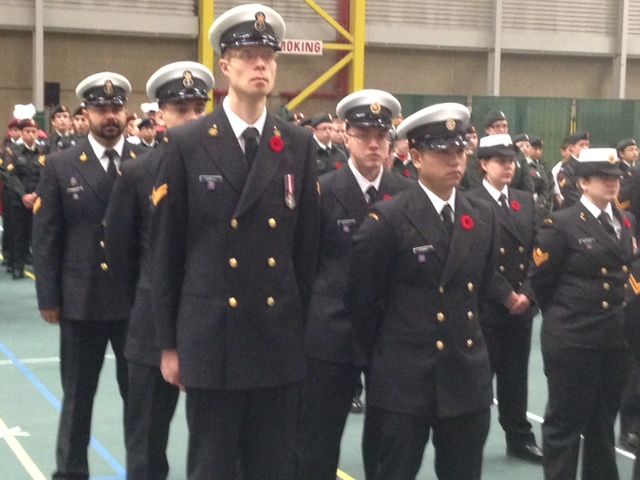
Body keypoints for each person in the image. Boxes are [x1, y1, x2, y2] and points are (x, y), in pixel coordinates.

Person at [149, 4, 320, 479]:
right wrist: (169, 344)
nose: (260, 64)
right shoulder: (187, 143)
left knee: (273, 467)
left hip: (275, 337)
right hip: (212, 339)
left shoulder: (298, 145)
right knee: (212, 467)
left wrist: (298, 327)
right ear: (225, 66)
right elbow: (166, 255)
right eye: (247, 54)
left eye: (268, 55)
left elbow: (305, 251)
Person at [346, 103, 500, 480]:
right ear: (415, 157)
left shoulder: (480, 216)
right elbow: (362, 302)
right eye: (443, 152)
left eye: (460, 150)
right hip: (404, 380)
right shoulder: (388, 220)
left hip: (465, 378)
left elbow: (479, 294)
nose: (455, 161)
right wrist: (387, 354)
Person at [104, 60, 214, 480]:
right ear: (160, 115)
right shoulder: (137, 173)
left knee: (216, 445)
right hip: (152, 330)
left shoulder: (225, 168)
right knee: (147, 443)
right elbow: (119, 253)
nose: (189, 118)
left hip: (212, 326)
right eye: (179, 109)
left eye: (196, 109)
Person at [296, 89, 412, 480]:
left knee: (386, 440)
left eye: (382, 135)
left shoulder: (406, 194)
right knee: (318, 439)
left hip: (388, 335)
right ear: (346, 136)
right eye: (364, 135)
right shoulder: (322, 191)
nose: (375, 144)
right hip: (332, 332)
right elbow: (305, 264)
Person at [32, 71, 139, 480]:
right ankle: (70, 472)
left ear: (125, 112)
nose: (109, 116)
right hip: (81, 301)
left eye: (115, 108)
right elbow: (46, 237)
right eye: (100, 109)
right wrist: (49, 297)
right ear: (87, 114)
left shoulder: (145, 162)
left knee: (140, 401)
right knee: (77, 398)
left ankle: (142, 472)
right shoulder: (60, 165)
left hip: (133, 302)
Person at [529, 148, 635, 480]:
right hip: (574, 339)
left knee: (602, 423)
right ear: (584, 182)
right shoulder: (561, 223)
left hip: (613, 339)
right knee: (565, 425)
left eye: (616, 178)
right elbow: (541, 283)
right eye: (604, 178)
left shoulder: (624, 221)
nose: (612, 184)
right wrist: (566, 320)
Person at [466, 134, 543, 463]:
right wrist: (506, 294)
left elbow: (539, 250)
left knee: (516, 378)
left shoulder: (525, 201)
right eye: (500, 160)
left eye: (511, 160)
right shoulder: (469, 201)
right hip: (487, 305)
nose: (508, 166)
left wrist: (527, 292)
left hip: (521, 307)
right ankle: (469, 441)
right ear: (484, 164)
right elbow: (473, 255)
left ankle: (519, 437)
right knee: (480, 380)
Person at [3, 116, 45, 278]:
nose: (31, 135)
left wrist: (35, 195)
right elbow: (11, 176)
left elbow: (44, 175)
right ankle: (17, 266)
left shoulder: (41, 151)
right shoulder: (11, 151)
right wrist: (24, 195)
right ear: (20, 132)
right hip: (17, 199)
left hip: (37, 200)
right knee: (18, 234)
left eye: (34, 131)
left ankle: (37, 264)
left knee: (36, 233)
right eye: (27, 131)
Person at [556, 131, 590, 209]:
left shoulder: (590, 166)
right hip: (574, 211)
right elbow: (570, 195)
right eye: (581, 145)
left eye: (587, 145)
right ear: (571, 148)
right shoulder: (565, 169)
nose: (585, 148)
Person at [527, 135, 555, 225]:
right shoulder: (524, 166)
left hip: (543, 209)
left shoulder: (545, 167)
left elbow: (550, 187)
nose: (538, 152)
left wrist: (545, 206)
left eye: (540, 149)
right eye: (535, 149)